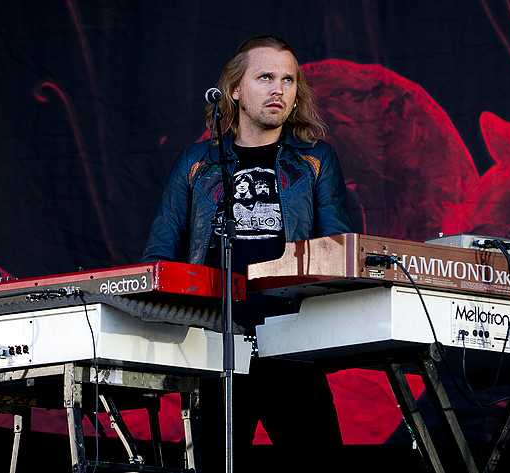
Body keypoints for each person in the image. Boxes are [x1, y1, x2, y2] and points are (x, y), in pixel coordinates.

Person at [141, 35, 352, 471]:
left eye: (289, 79)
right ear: (235, 89)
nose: (279, 89)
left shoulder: (317, 160)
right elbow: (159, 255)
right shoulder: (196, 162)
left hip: (292, 343)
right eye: (266, 77)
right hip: (213, 345)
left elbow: (338, 250)